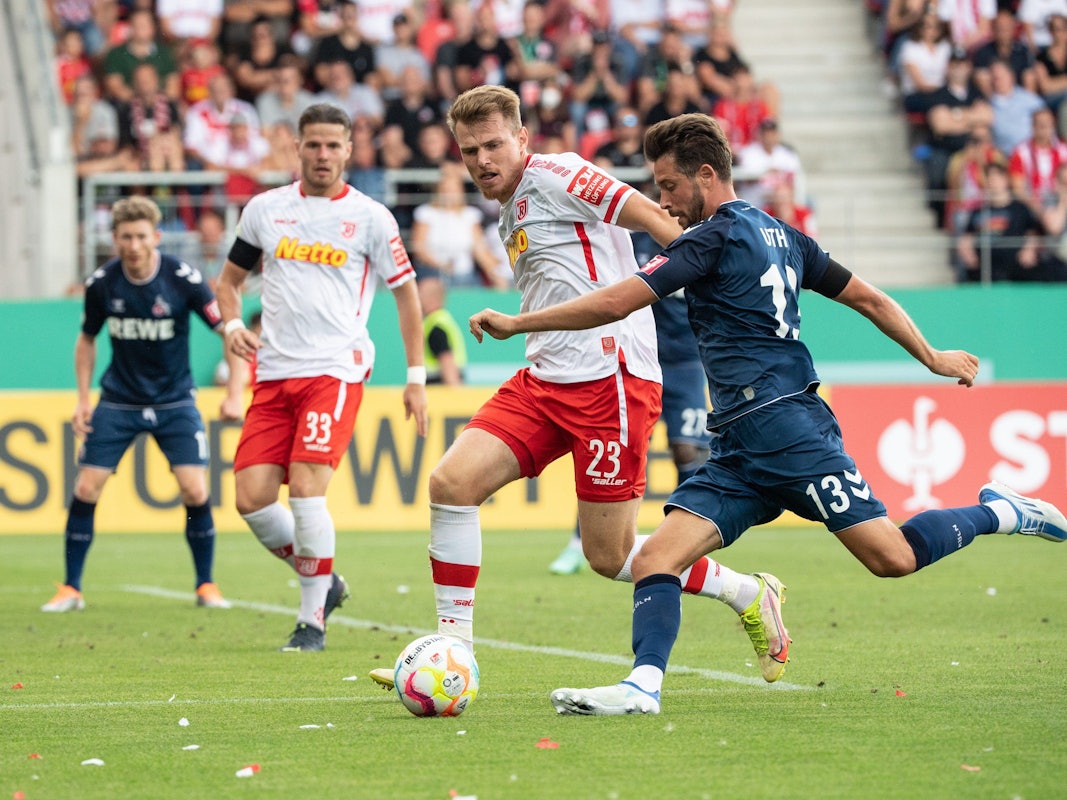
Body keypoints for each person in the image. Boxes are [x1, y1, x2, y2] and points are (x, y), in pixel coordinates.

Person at [467, 113, 1067, 715]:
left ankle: (1003, 512)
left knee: (893, 558)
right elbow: (868, 297)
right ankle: (641, 688)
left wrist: (519, 322)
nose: (663, 203)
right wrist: (930, 355)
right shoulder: (784, 235)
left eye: (669, 186)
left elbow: (617, 302)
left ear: (707, 175)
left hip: (789, 431)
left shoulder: (709, 240)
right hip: (737, 442)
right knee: (655, 558)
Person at [367, 85, 746, 691]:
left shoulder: (558, 173)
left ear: (522, 139)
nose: (483, 160)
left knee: (610, 557)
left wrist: (725, 286)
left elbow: (654, 219)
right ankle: (453, 655)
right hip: (546, 378)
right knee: (451, 484)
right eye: (470, 151)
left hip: (610, 378)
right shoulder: (509, 206)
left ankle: (746, 591)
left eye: (494, 145)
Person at [214, 103, 428, 652]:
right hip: (273, 373)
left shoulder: (371, 218)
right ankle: (325, 578)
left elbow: (407, 296)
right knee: (251, 499)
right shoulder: (265, 210)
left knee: (308, 491)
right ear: (297, 147)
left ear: (349, 151)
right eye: (313, 144)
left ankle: (312, 620)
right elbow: (228, 281)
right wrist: (233, 324)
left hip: (335, 369)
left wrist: (416, 375)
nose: (323, 154)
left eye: (333, 145)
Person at [41, 196, 244, 614]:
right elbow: (86, 340)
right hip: (119, 400)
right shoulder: (103, 283)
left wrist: (236, 393)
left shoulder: (182, 279)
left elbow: (227, 332)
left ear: (156, 237)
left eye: (141, 236)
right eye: (126, 237)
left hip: (175, 400)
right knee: (86, 487)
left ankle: (206, 584)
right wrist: (83, 399)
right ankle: (71, 588)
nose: (133, 246)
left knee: (195, 489)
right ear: (114, 239)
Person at [956, 161, 1048, 282]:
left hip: (1017, 267)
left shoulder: (1020, 208)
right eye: (990, 178)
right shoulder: (978, 210)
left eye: (997, 177)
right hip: (985, 267)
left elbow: (1033, 233)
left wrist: (1029, 250)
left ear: (1006, 180)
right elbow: (967, 237)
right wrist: (968, 254)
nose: (993, 182)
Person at [418, 272, 467, 386]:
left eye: (420, 296)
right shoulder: (444, 320)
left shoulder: (435, 326)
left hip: (439, 391)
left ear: (431, 298)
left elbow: (447, 361)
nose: (417, 301)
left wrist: (454, 392)